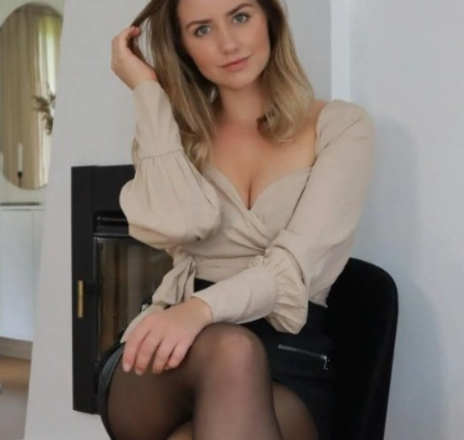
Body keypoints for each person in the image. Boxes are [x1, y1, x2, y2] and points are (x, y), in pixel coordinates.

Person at [98, 0, 375, 439]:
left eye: (240, 17)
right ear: (183, 46)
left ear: (270, 19)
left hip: (288, 356)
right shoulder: (175, 134)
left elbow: (293, 270)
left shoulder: (341, 126)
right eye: (202, 30)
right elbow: (177, 222)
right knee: (229, 348)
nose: (228, 44)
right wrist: (147, 92)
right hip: (173, 351)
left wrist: (200, 310)